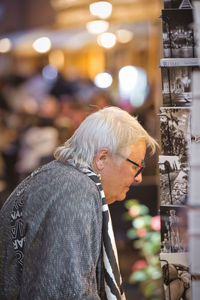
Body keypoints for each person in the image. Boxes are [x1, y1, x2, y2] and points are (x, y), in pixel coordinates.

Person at [0, 106, 158, 300]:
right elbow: (65, 293)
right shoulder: (76, 191)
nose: (138, 178)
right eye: (137, 166)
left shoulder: (62, 177)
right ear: (102, 158)